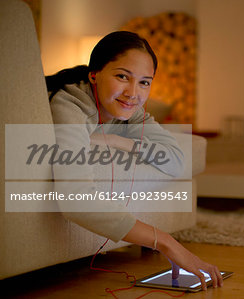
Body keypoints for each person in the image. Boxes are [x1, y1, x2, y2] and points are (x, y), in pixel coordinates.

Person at [46, 31, 223, 290]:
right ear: (94, 74)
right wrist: (166, 242)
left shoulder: (131, 113)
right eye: (122, 76)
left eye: (144, 82)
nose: (133, 93)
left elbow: (175, 160)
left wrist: (116, 141)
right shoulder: (69, 105)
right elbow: (76, 199)